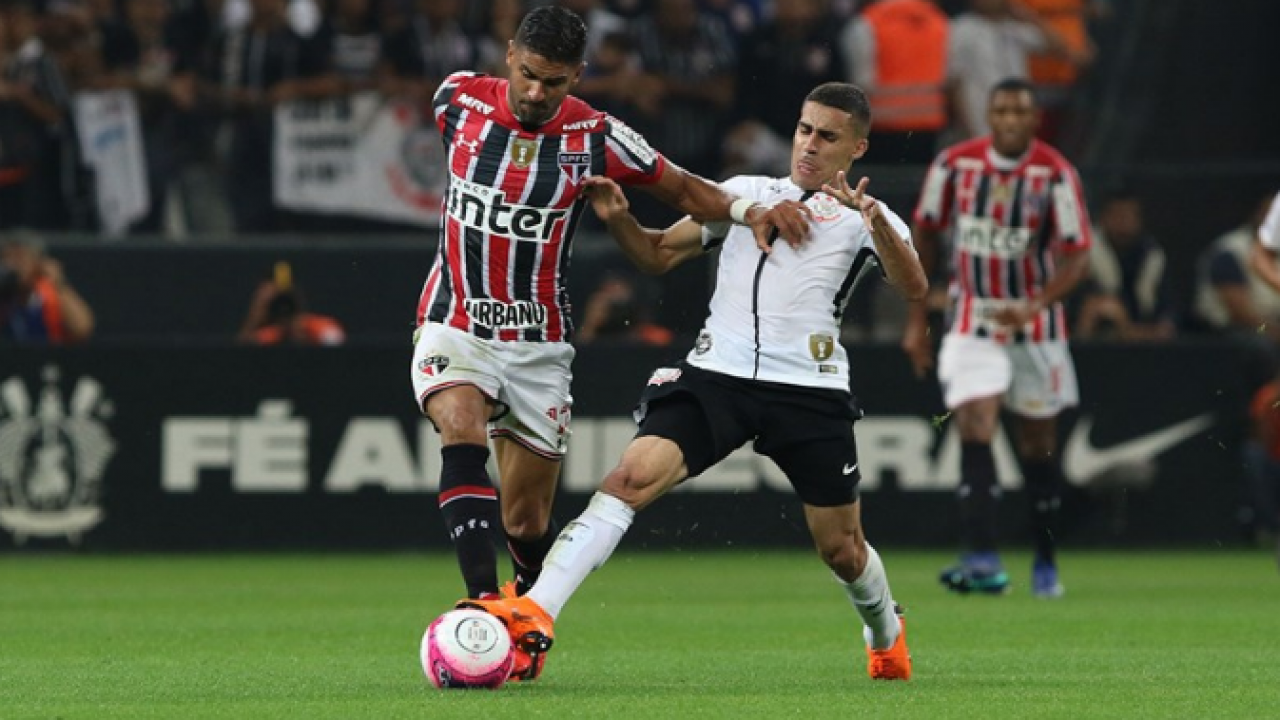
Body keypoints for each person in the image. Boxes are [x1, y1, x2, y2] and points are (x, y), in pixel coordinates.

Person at [460, 82, 928, 682]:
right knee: (628, 479)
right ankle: (533, 612)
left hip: (809, 391)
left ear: (857, 148)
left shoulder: (869, 218)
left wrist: (875, 221)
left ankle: (885, 631)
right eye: (804, 129)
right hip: (718, 377)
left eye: (828, 136)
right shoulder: (744, 196)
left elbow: (914, 287)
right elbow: (657, 255)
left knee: (842, 550)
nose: (810, 145)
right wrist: (622, 220)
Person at [411, 5, 806, 682]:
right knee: (460, 425)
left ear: (577, 76)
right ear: (510, 55)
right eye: (530, 75)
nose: (538, 93)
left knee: (528, 517)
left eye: (555, 82)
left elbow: (681, 186)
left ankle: (527, 608)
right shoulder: (457, 99)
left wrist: (751, 210)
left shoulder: (597, 137)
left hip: (540, 343)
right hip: (456, 321)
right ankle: (482, 608)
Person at [901, 77, 1091, 598]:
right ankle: (982, 557)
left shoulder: (1054, 174)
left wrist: (1036, 302)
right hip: (971, 318)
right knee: (975, 420)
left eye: (1019, 112)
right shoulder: (954, 166)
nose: (1009, 120)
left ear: (1034, 119)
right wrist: (917, 321)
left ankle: (1045, 557)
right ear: (989, 115)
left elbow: (1078, 254)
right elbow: (924, 237)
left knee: (1038, 443)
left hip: (1036, 325)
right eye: (1000, 110)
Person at [1074, 189, 1175, 342]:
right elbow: (1086, 313)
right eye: (1117, 215)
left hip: (1145, 344)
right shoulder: (1083, 253)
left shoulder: (1152, 255)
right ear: (1103, 218)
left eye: (1129, 215)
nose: (1123, 222)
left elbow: (1166, 319)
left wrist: (1127, 329)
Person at [0, 229, 95, 344]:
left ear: (38, 263)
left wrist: (58, 285)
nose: (12, 265)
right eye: (6, 258)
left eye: (20, 258)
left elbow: (82, 330)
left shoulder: (48, 296)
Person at [237, 262, 346, 346]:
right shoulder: (273, 335)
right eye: (277, 303)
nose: (284, 309)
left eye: (286, 300)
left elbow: (336, 340)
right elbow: (242, 351)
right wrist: (255, 314)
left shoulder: (319, 328)